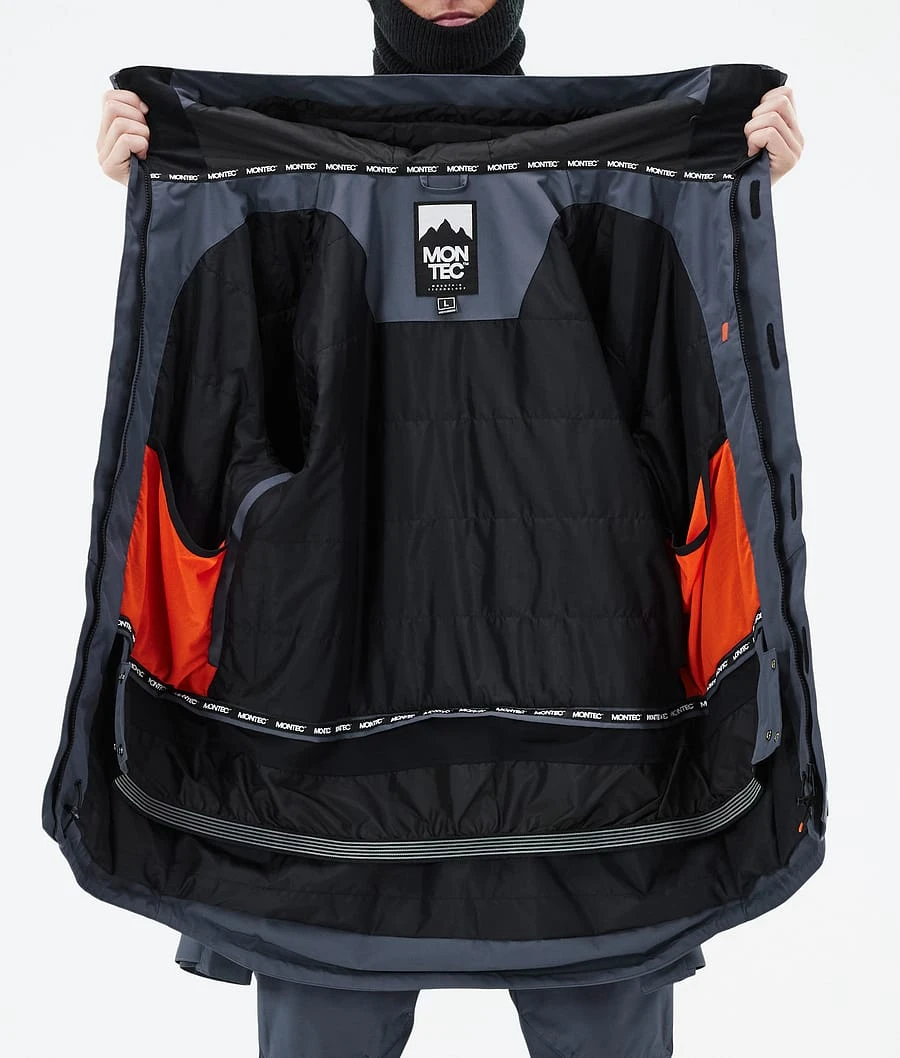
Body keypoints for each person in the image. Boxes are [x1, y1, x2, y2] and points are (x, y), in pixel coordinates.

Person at [91, 4, 807, 1056]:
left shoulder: (635, 180)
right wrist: (169, 188)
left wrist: (730, 193)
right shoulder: (260, 179)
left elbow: (697, 432)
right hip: (394, 758)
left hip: (505, 764)